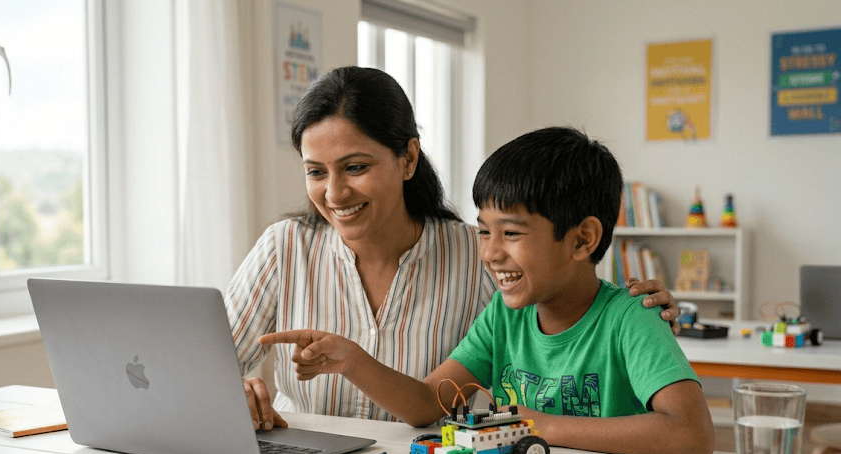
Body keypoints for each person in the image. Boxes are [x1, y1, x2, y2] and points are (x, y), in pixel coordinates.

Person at [227, 67, 681, 431]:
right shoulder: (285, 247)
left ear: (407, 158)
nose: (335, 193)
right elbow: (207, 365)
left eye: (356, 167)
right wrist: (238, 389)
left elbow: (565, 289)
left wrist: (639, 306)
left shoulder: (474, 254)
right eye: (316, 172)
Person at [261, 126, 715, 454]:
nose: (492, 253)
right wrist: (353, 361)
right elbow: (425, 404)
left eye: (512, 233)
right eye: (483, 232)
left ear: (582, 240)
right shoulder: (505, 316)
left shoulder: (630, 318)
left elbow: (692, 434)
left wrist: (544, 425)